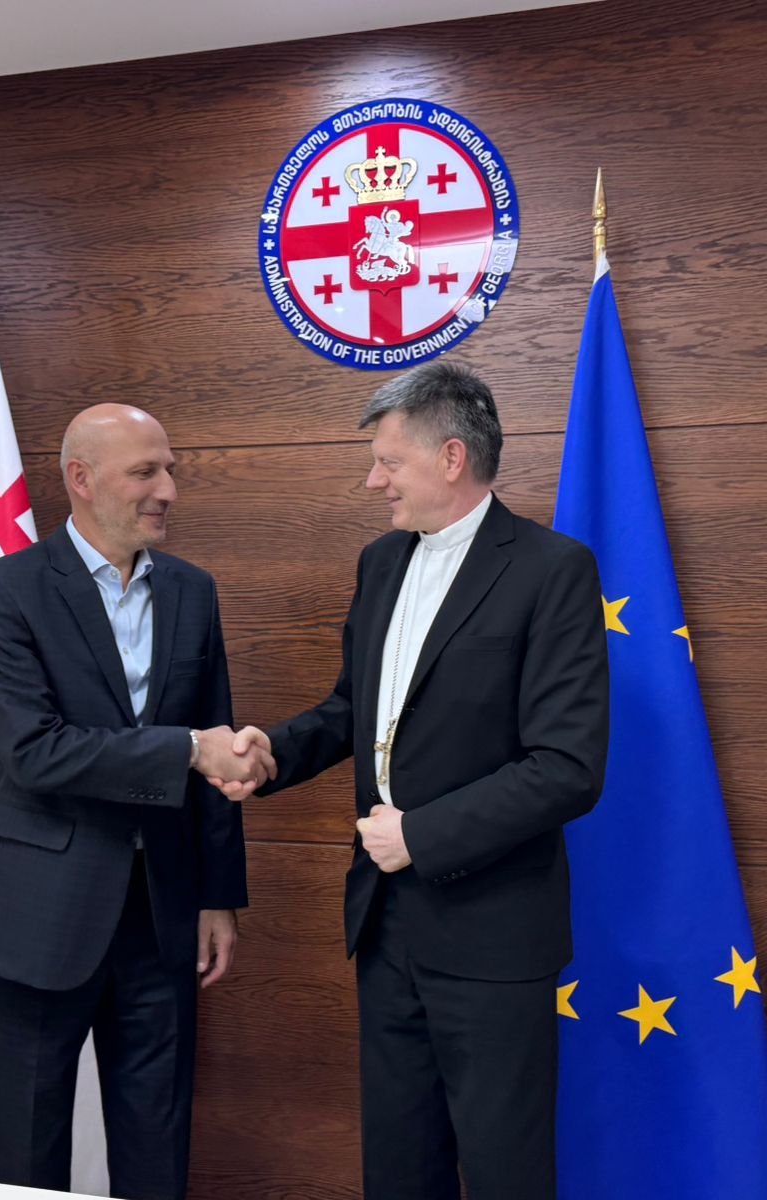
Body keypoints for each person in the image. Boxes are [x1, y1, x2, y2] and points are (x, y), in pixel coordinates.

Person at [223, 362, 609, 1200]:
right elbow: (355, 709)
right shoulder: (381, 562)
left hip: (494, 938)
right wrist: (272, 752)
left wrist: (421, 836)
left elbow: (567, 769)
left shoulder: (552, 570)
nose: (374, 481)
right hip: (387, 928)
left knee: (506, 1176)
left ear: (451, 458)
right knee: (399, 1171)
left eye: (388, 461)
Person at [0, 403, 272, 1197]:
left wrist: (217, 896)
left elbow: (217, 745)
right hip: (33, 919)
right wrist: (187, 749)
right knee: (26, 1158)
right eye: (145, 472)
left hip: (162, 916)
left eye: (170, 471)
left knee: (158, 1149)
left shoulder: (193, 591)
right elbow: (35, 752)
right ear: (81, 480)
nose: (169, 491)